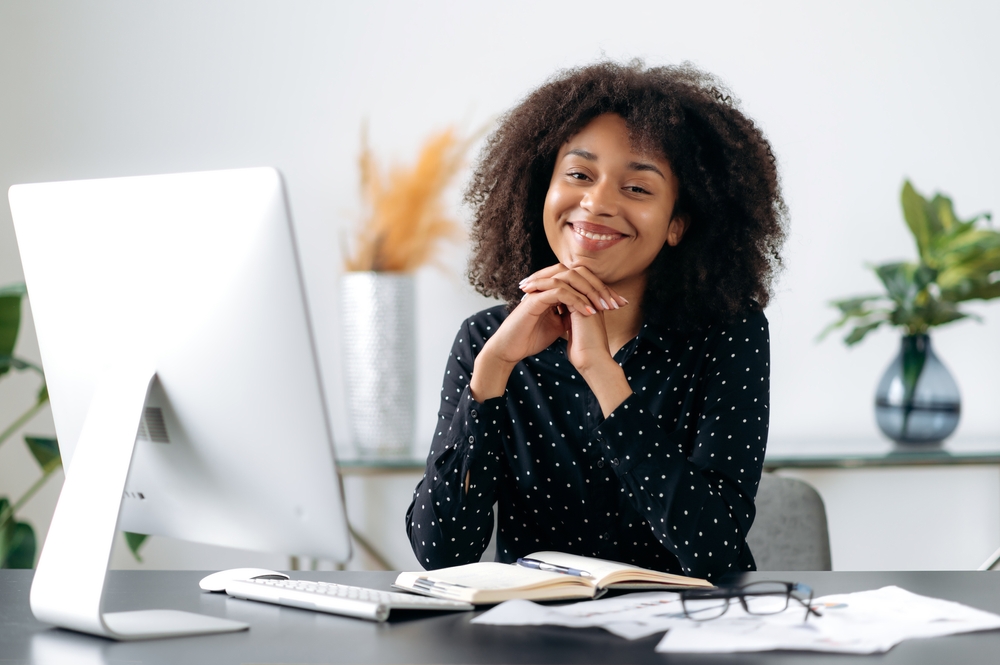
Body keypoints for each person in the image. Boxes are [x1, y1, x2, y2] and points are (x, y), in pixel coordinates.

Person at [405, 61, 786, 581]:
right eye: (580, 175)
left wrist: (602, 374)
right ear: (544, 190)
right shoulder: (486, 340)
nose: (598, 202)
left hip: (687, 635)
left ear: (677, 224)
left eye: (637, 188)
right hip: (533, 638)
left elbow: (715, 550)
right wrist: (491, 372)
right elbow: (441, 554)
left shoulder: (729, 335)